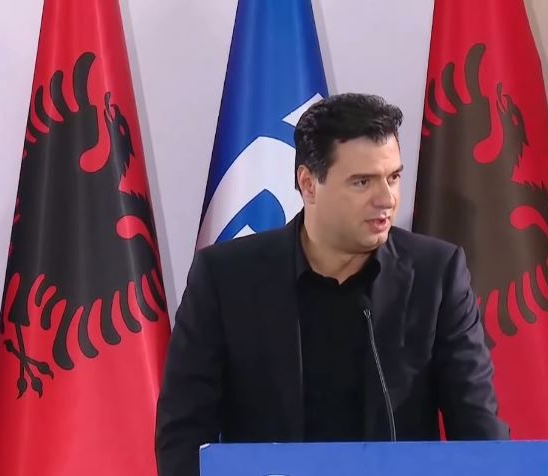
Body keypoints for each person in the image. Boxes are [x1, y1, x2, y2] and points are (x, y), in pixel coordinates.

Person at [155, 93, 508, 476]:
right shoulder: (226, 279)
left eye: (393, 177)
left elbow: (479, 427)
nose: (386, 199)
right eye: (362, 182)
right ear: (308, 184)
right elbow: (183, 435)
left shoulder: (436, 275)